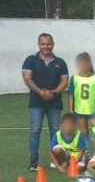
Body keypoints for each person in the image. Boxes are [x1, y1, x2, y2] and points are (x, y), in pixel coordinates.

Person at [21, 32, 69, 171]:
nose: (46, 47)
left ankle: (56, 161)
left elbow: (65, 81)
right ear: (38, 45)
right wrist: (40, 92)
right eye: (43, 44)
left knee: (55, 131)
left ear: (53, 44)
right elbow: (27, 79)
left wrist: (53, 92)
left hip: (54, 102)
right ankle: (33, 163)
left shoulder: (60, 62)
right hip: (36, 102)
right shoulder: (30, 60)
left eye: (48, 44)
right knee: (35, 131)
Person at [68, 52, 95, 139]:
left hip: (92, 109)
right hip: (79, 109)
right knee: (83, 130)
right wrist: (71, 110)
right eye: (80, 63)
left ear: (89, 63)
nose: (82, 65)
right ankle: (86, 151)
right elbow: (71, 94)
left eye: (84, 63)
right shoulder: (74, 78)